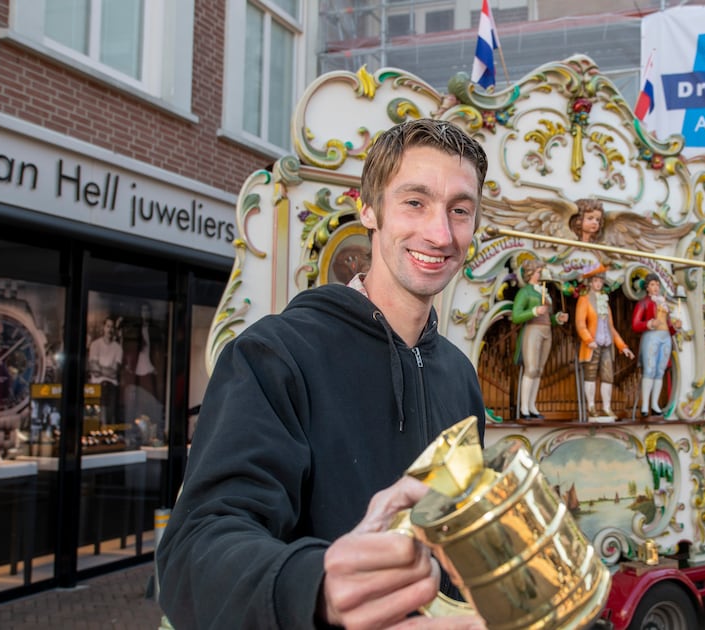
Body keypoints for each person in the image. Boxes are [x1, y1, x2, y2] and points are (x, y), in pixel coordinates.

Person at [156, 119, 489, 630]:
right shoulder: (275, 354)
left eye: (459, 211)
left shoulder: (460, 375)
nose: (440, 233)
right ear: (369, 210)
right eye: (415, 202)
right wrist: (315, 588)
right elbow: (195, 550)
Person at [511, 259, 568, 419]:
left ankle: (532, 406)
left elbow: (548, 318)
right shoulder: (526, 292)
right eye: (538, 271)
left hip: (547, 331)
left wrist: (557, 318)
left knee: (540, 370)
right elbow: (516, 316)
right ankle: (523, 408)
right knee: (531, 369)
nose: (541, 274)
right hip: (533, 330)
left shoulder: (544, 292)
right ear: (531, 273)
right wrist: (534, 310)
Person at [574, 266, 633, 418]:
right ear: (590, 282)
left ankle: (607, 408)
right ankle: (591, 407)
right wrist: (588, 340)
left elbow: (611, 328)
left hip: (606, 344)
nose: (598, 284)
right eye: (595, 280)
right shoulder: (584, 299)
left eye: (600, 281)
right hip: (592, 345)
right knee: (590, 375)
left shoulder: (605, 302)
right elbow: (580, 323)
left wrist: (622, 346)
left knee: (608, 376)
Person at [631, 273, 681, 417]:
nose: (656, 287)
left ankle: (655, 403)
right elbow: (635, 324)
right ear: (647, 288)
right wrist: (649, 323)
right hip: (651, 336)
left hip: (665, 337)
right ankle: (645, 404)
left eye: (658, 285)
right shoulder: (644, 303)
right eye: (653, 285)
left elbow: (669, 326)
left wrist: (675, 326)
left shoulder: (663, 304)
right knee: (650, 369)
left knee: (660, 371)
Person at [121, 301, 166, 443]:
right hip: (135, 368)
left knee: (151, 400)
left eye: (147, 311)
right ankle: (130, 432)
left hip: (149, 367)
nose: (145, 314)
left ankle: (152, 432)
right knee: (132, 401)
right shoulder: (133, 330)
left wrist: (157, 367)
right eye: (142, 311)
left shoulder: (154, 330)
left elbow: (158, 351)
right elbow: (127, 349)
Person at [86, 317, 122, 426]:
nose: (110, 330)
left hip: (111, 386)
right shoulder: (95, 345)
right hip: (96, 386)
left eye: (112, 327)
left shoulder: (118, 348)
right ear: (103, 328)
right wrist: (107, 370)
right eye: (108, 326)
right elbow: (93, 368)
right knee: (94, 419)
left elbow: (115, 372)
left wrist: (100, 368)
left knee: (109, 421)